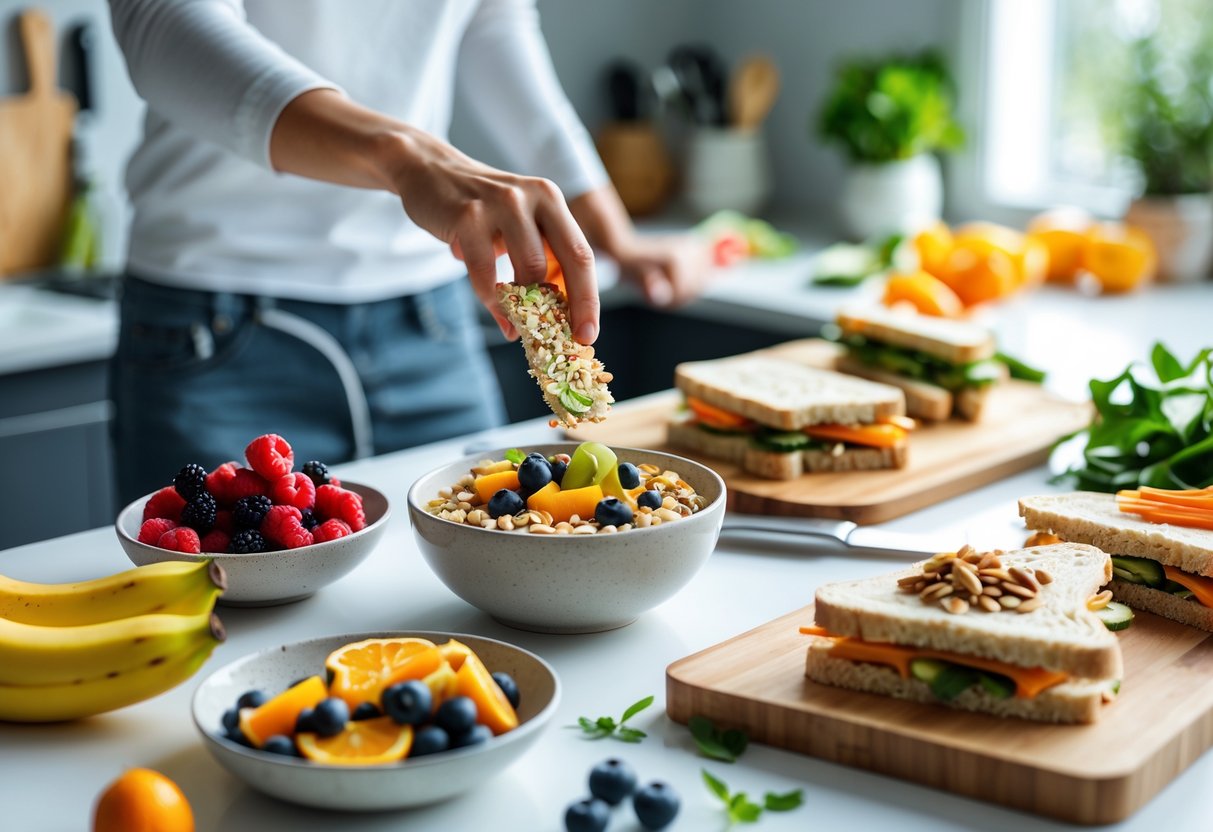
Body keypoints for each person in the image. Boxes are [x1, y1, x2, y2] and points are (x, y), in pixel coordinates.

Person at [106, 0, 709, 505]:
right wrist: (408, 158)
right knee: (216, 602)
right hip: (214, 323)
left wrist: (613, 233)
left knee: (471, 576)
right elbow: (164, 26)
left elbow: (495, 28)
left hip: (430, 321)